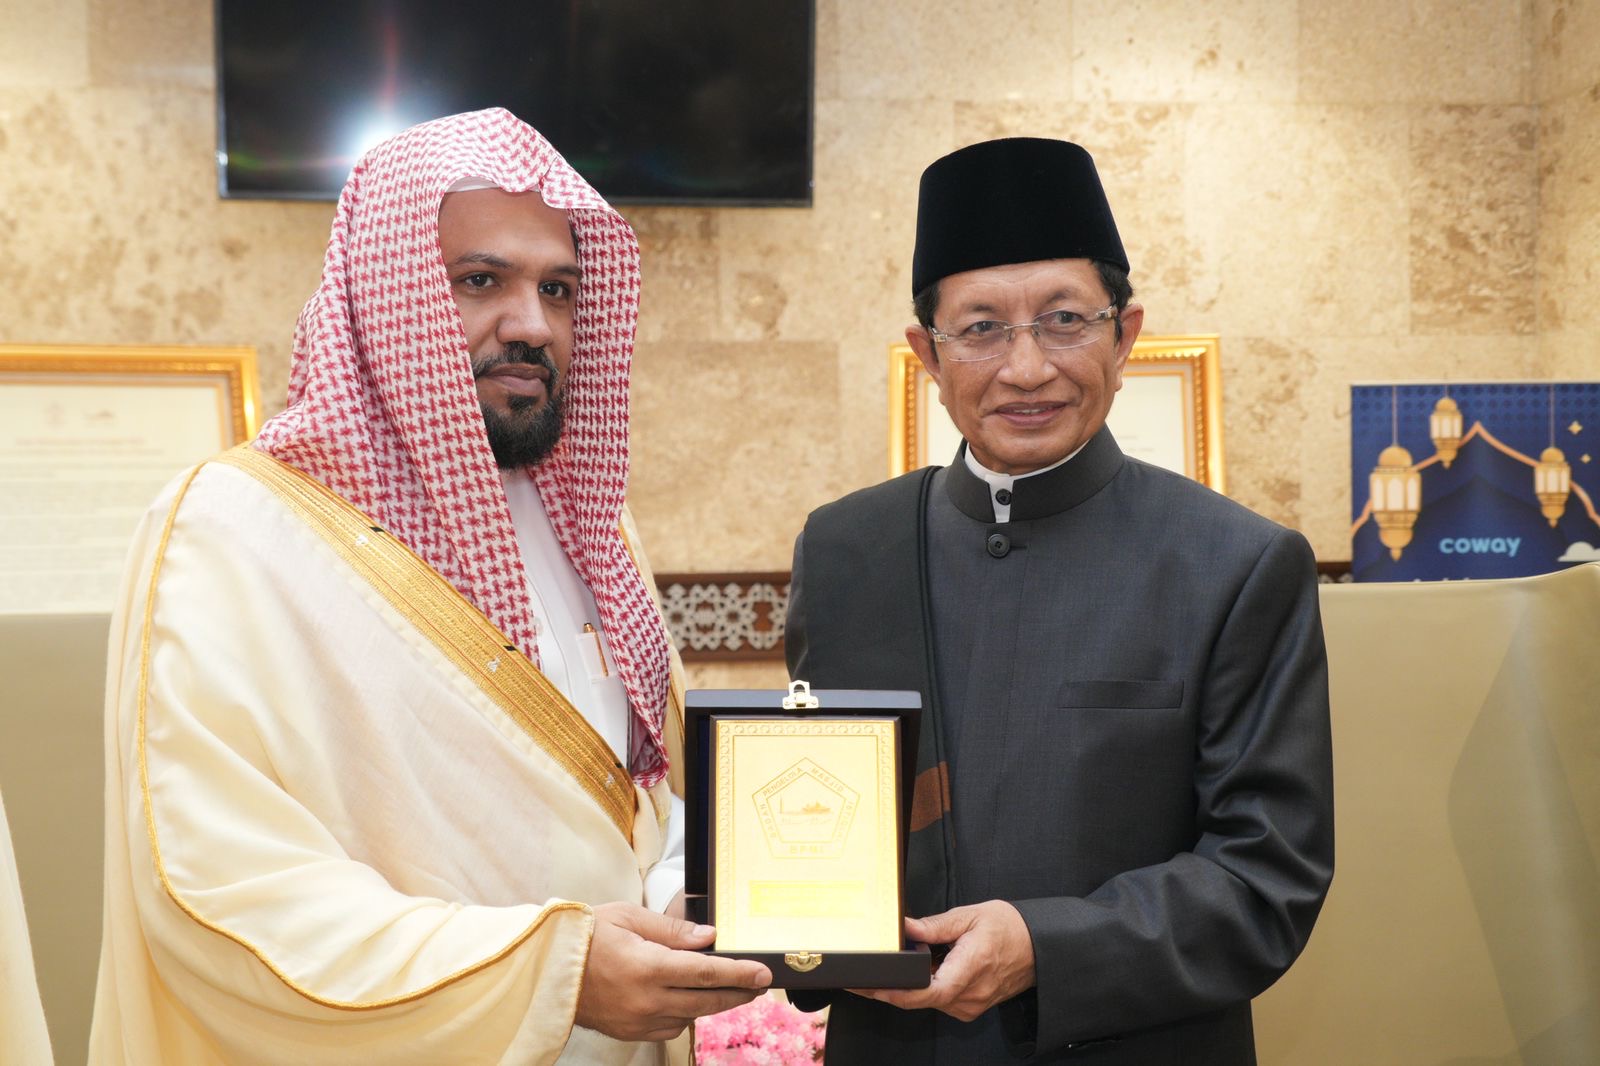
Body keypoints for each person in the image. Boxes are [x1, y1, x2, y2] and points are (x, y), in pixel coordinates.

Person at [89, 108, 769, 1065]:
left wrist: (679, 897)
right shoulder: (230, 531)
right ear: (384, 295)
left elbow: (631, 806)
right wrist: (550, 974)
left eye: (560, 288)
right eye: (480, 281)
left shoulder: (596, 532)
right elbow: (216, 889)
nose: (532, 324)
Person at [785, 137, 1334, 1064]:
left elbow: (1265, 878)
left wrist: (1045, 946)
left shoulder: (1238, 563)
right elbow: (820, 820)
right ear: (927, 352)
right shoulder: (846, 549)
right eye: (983, 327)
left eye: (1065, 320)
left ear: (1126, 336)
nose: (1028, 368)